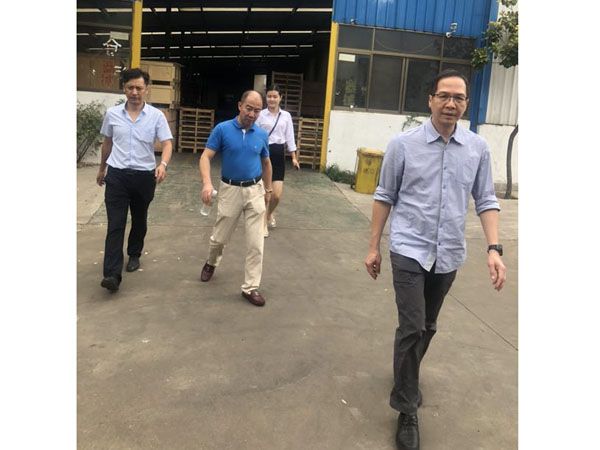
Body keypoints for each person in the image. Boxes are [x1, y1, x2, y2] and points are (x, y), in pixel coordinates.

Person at [364, 69, 506, 450]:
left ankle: (405, 375)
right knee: (412, 326)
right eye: (444, 96)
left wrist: (494, 249)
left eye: (458, 98)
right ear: (430, 100)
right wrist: (374, 246)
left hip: (448, 254)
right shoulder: (403, 145)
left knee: (427, 325)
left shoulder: (477, 149)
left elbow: (486, 200)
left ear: (466, 104)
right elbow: (384, 195)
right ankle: (407, 407)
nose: (451, 104)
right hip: (409, 249)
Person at [96, 68, 173, 293]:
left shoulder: (156, 116)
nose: (135, 92)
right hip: (117, 175)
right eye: (130, 87)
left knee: (139, 219)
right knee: (115, 223)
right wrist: (102, 169)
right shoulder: (112, 114)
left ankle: (134, 253)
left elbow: (167, 143)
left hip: (144, 176)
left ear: (146, 89)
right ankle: (112, 274)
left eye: (139, 88)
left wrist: (163, 164)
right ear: (124, 89)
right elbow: (107, 143)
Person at [199, 90, 273, 307]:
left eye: (257, 111)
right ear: (240, 105)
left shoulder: (261, 135)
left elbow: (266, 163)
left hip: (255, 190)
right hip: (230, 190)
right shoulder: (222, 129)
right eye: (249, 108)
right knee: (219, 238)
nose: (252, 114)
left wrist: (268, 190)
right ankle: (211, 261)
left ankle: (250, 287)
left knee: (256, 243)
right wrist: (207, 183)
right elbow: (205, 157)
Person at [255, 84, 299, 237]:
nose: (272, 99)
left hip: (279, 154)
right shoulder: (260, 115)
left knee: (276, 195)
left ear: (280, 98)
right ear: (266, 98)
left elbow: (290, 137)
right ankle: (262, 225)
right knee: (265, 193)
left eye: (275, 96)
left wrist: (294, 157)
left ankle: (269, 214)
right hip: (263, 154)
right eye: (269, 96)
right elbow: (254, 133)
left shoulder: (286, 116)